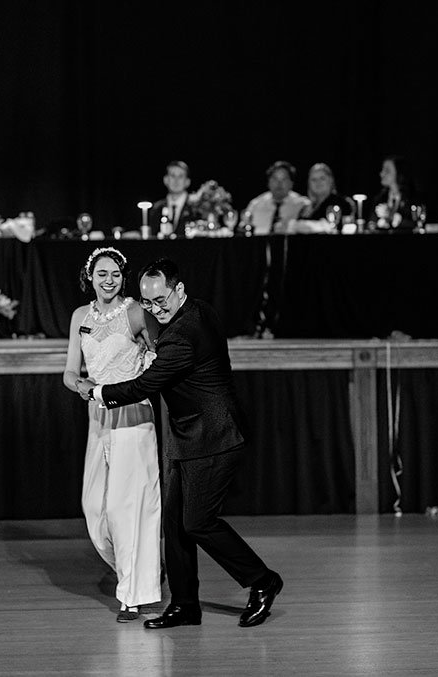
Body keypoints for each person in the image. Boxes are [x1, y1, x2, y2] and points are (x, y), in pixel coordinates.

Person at [77, 257, 283, 630]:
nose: (156, 310)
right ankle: (185, 604)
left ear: (179, 290)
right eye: (149, 303)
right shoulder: (198, 310)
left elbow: (143, 386)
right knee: (173, 524)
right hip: (185, 434)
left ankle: (263, 581)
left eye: (161, 301)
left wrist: (98, 391)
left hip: (215, 436)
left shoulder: (182, 335)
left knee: (198, 522)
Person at [63, 247, 162, 623]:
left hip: (133, 414)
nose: (109, 280)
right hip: (98, 414)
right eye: (102, 274)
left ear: (123, 277)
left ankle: (132, 596)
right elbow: (70, 371)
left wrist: (142, 377)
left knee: (126, 507)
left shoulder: (136, 312)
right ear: (90, 276)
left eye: (115, 274)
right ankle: (139, 569)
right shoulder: (80, 316)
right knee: (94, 508)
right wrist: (83, 387)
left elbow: (160, 356)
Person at [243, 161, 310, 235]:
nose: (279, 183)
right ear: (268, 182)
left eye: (284, 179)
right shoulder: (255, 205)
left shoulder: (303, 205)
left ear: (291, 183)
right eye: (275, 179)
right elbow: (243, 229)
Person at [370, 155, 416, 230]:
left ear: (399, 173)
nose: (381, 174)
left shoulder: (413, 198)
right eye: (383, 169)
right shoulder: (380, 198)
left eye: (387, 171)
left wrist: (393, 216)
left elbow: (417, 223)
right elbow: (371, 223)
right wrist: (377, 221)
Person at [151, 160, 195, 238]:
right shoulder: (156, 208)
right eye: (172, 176)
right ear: (165, 180)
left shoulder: (196, 207)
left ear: (188, 181)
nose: (176, 180)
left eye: (181, 176)